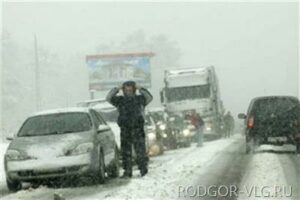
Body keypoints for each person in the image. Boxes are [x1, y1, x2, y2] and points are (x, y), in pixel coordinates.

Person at [106, 81, 153, 178]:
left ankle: (143, 169)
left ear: (134, 90)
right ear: (123, 91)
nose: (128, 92)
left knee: (140, 151)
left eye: (130, 90)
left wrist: (141, 88)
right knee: (125, 152)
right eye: (126, 90)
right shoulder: (120, 100)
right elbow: (108, 98)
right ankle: (127, 171)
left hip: (138, 128)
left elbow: (149, 97)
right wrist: (116, 88)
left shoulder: (140, 99)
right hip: (125, 129)